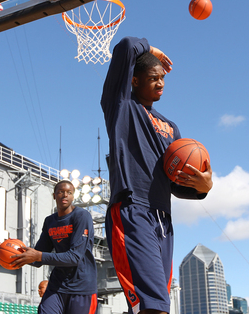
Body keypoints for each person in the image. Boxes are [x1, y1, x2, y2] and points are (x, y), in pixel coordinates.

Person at [101, 36, 213, 314]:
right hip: (133, 209)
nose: (161, 82)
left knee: (150, 305)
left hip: (163, 219)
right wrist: (151, 48)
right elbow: (126, 46)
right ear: (134, 80)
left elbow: (174, 182)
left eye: (162, 78)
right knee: (154, 307)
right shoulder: (121, 106)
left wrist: (203, 187)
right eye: (153, 77)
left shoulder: (171, 127)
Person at [10, 180, 98, 314]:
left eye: (69, 193)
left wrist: (38, 256)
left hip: (82, 286)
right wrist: (14, 253)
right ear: (54, 195)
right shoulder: (50, 221)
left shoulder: (81, 216)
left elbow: (75, 257)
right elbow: (38, 255)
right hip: (57, 285)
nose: (65, 195)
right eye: (61, 192)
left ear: (73, 197)